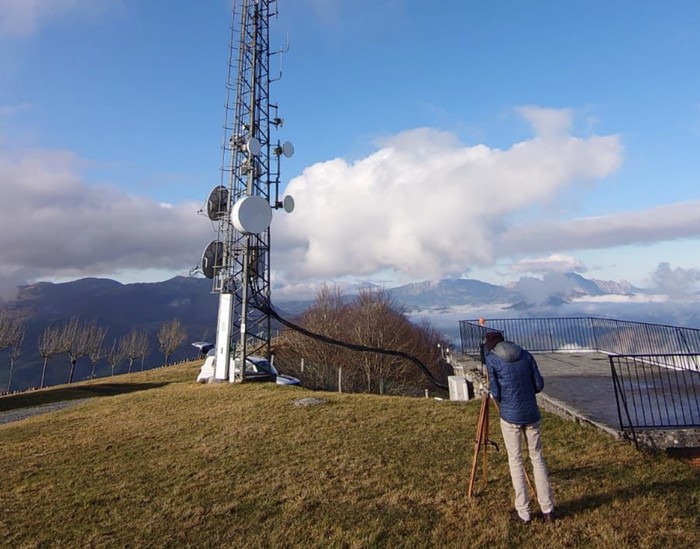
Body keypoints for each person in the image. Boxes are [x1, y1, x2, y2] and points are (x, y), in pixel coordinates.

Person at [483, 330, 555, 524]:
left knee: (516, 461)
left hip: (510, 417)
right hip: (532, 414)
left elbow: (496, 392)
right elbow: (539, 384)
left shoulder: (492, 360)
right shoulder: (525, 354)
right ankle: (548, 509)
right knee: (537, 459)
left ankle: (524, 513)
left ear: (490, 346)